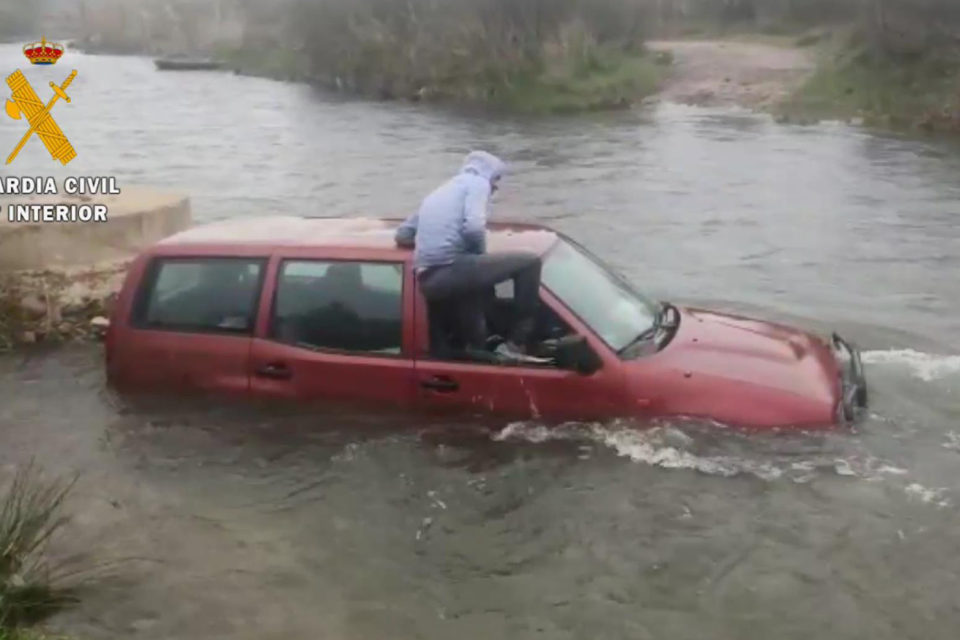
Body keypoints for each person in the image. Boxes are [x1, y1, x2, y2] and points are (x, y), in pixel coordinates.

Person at [395, 150, 545, 363]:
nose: (495, 187)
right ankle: (516, 343)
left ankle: (478, 347)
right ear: (488, 173)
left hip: (428, 279)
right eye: (496, 179)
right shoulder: (478, 183)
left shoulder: (440, 192)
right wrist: (479, 256)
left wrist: (429, 245)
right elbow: (474, 227)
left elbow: (402, 235)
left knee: (476, 304)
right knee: (530, 262)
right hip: (451, 268)